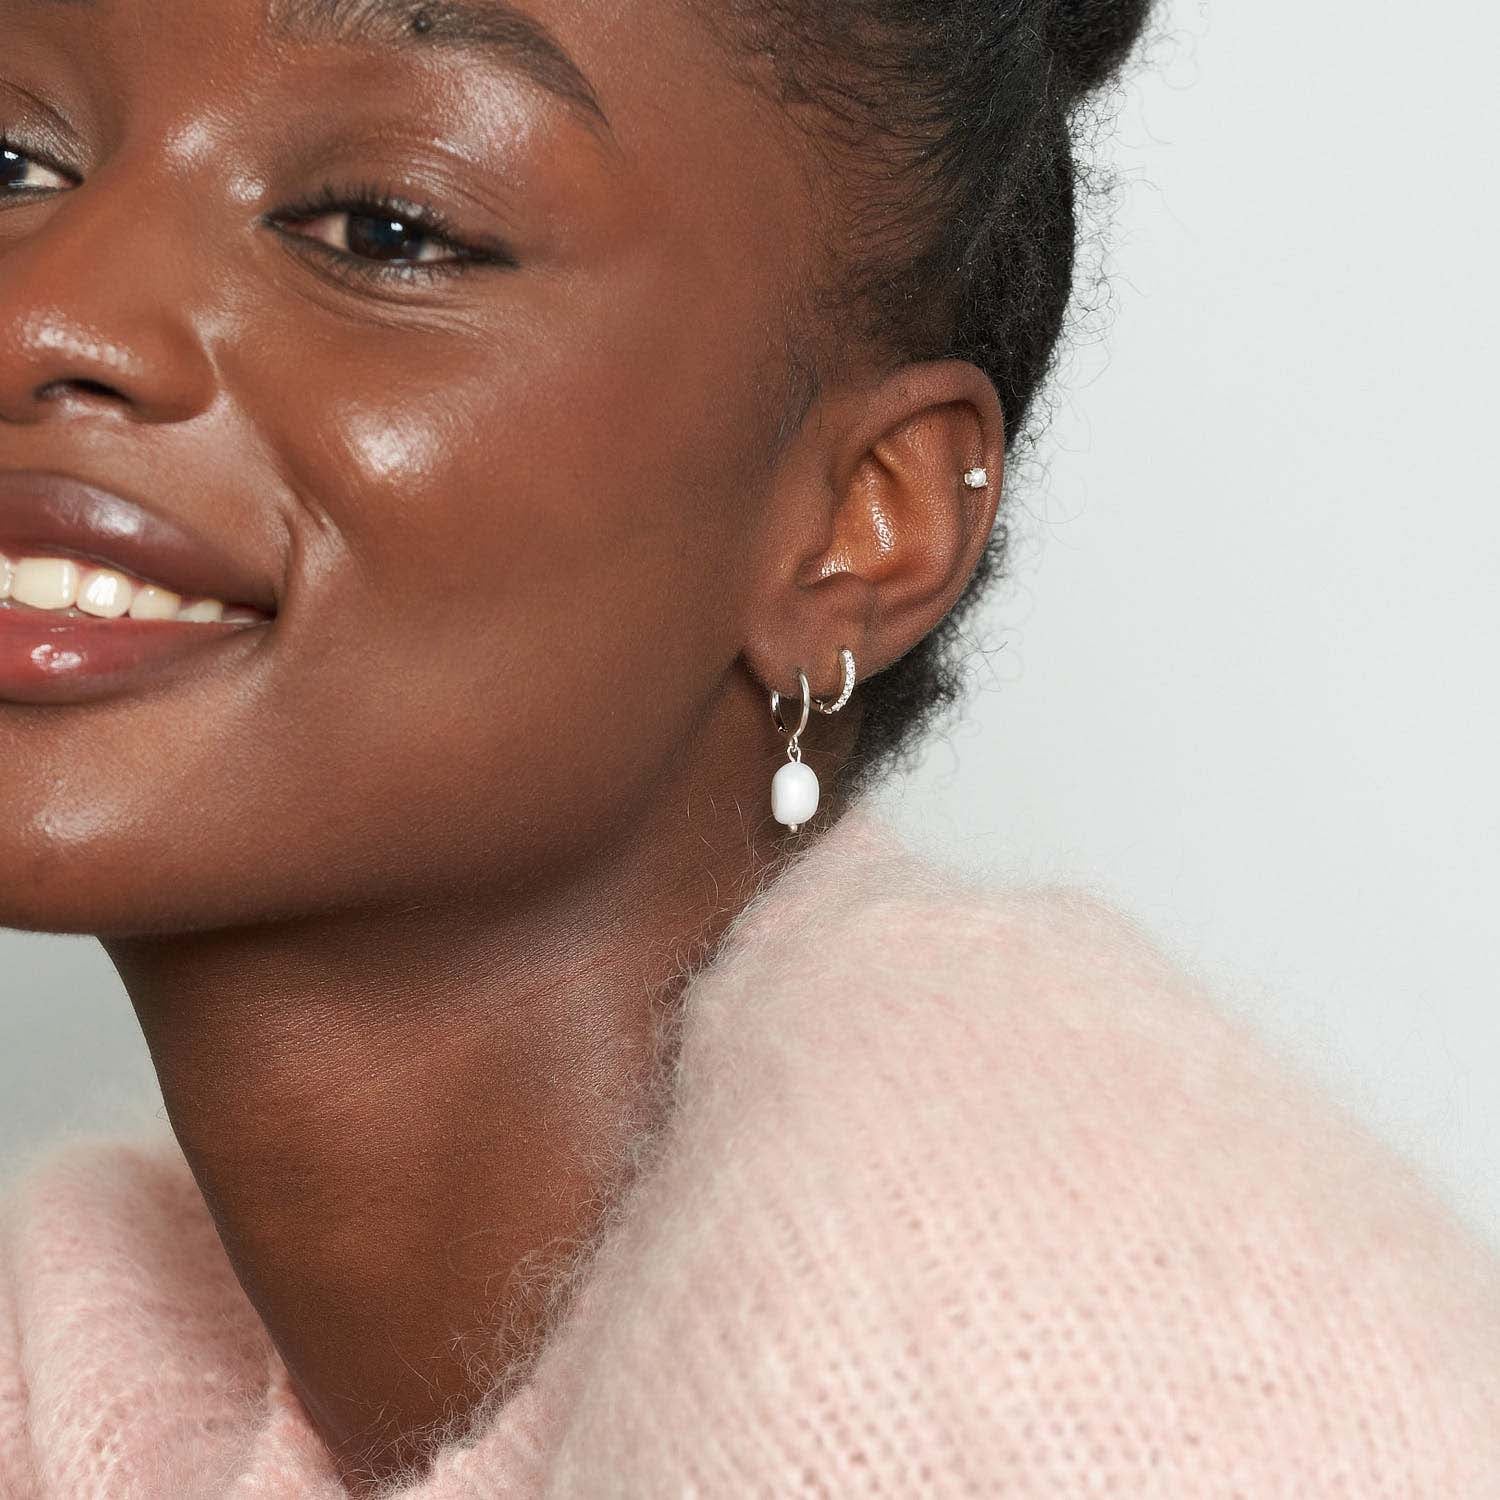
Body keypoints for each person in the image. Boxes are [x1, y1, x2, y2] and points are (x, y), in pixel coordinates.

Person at [1, 0, 1496, 1495]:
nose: (42, 313)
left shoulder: (1026, 1302)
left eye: (386, 229)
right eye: (9, 163)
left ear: (860, 522)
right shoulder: (85, 1366)